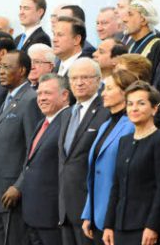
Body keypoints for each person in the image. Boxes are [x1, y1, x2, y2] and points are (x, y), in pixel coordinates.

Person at [102, 81, 160, 245]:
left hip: (145, 228)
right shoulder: (124, 141)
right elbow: (116, 186)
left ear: (154, 109)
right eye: (130, 104)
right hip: (120, 226)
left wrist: (153, 226)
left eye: (141, 103)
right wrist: (108, 225)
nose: (134, 108)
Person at [0, 51, 42, 245]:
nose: (1, 72)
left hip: (12, 195)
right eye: (0, 67)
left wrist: (19, 186)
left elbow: (34, 149)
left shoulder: (30, 100)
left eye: (7, 67)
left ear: (22, 70)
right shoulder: (8, 98)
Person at [81, 70, 137, 244]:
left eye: (109, 88)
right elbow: (94, 172)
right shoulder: (105, 125)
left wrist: (111, 221)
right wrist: (88, 213)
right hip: (97, 214)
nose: (103, 93)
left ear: (125, 92)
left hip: (117, 217)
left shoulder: (132, 126)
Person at [58, 58, 110, 244]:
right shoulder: (66, 113)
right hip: (65, 208)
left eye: (85, 77)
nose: (79, 83)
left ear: (98, 80)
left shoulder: (106, 112)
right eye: (74, 78)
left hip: (91, 209)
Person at [22, 74, 68, 245]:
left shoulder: (69, 120)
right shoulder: (41, 123)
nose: (41, 98)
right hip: (33, 213)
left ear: (65, 95)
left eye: (47, 93)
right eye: (39, 94)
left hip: (53, 215)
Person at [123, 0, 160, 81]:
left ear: (143, 20)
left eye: (130, 14)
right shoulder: (131, 46)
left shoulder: (158, 45)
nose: (124, 19)